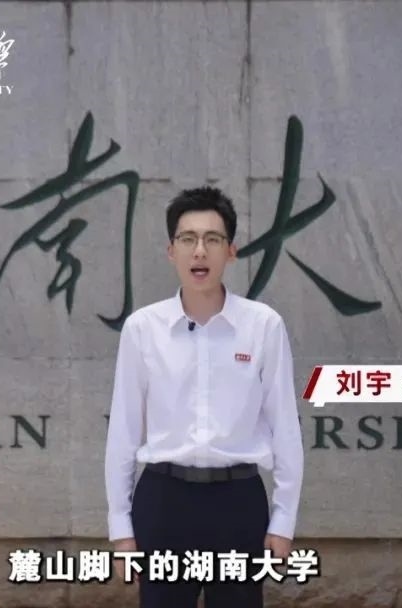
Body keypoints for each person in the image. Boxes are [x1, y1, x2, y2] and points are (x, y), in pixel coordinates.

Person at [104, 186, 304, 608]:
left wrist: (283, 520)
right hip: (163, 501)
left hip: (238, 501)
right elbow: (123, 431)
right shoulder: (143, 329)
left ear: (231, 251)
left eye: (212, 239)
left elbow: (285, 426)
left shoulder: (263, 326)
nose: (200, 251)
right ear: (171, 250)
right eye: (188, 239)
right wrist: (120, 529)